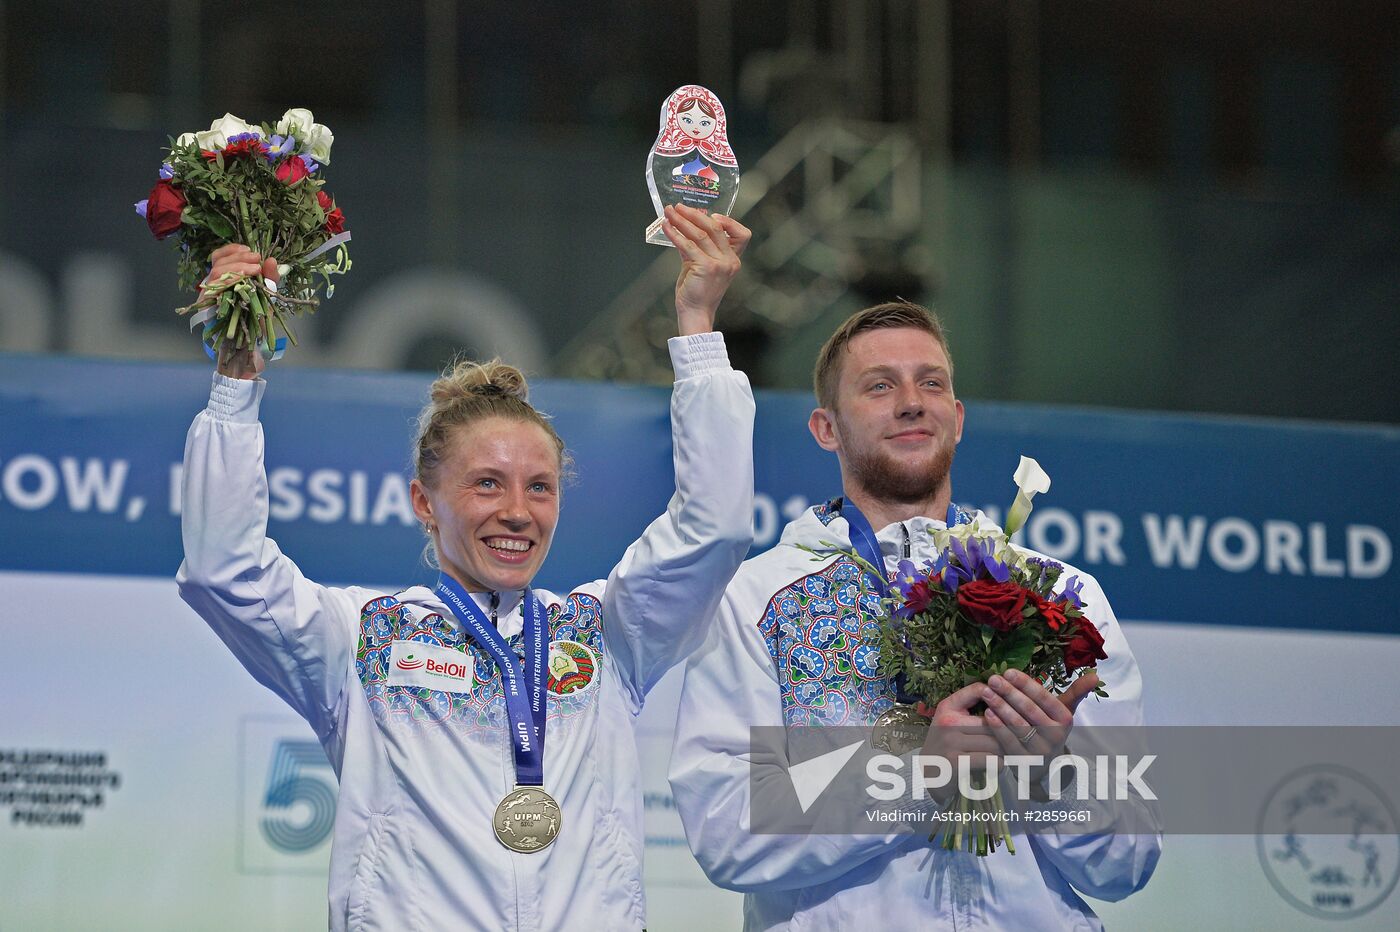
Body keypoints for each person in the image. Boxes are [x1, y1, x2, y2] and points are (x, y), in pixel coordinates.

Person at [177, 204, 755, 930]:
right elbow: (223, 569)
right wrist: (236, 382)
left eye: (538, 487)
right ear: (426, 500)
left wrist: (697, 329)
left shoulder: (606, 632)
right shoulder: (361, 638)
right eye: (486, 483)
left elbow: (718, 526)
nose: (517, 510)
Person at [668, 301, 1160, 929]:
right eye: (880, 386)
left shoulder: (1061, 596)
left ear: (956, 418)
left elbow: (1128, 863)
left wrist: (1048, 776)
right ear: (827, 428)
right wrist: (917, 776)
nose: (911, 401)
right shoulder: (756, 599)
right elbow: (727, 830)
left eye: (931, 383)